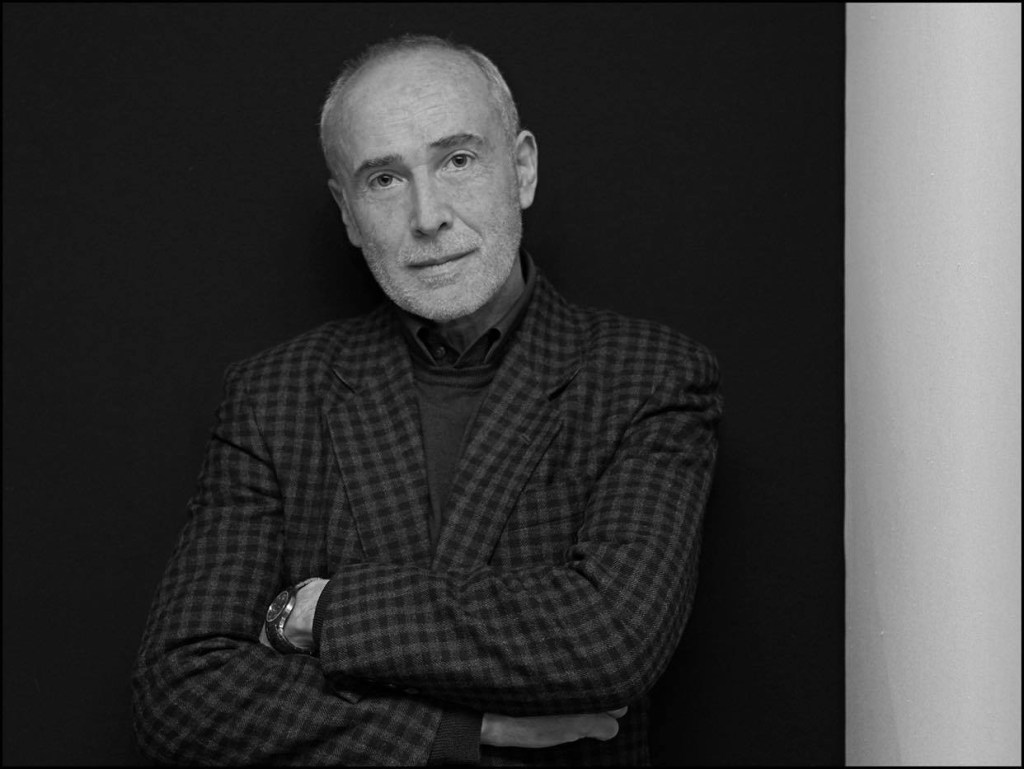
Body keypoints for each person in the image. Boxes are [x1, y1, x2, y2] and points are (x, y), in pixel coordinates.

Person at [132, 34, 722, 765]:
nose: (428, 215)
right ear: (348, 213)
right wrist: (455, 731)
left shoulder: (649, 377)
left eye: (458, 160)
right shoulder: (274, 393)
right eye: (384, 179)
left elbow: (610, 639)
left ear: (523, 169)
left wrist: (321, 611)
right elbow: (180, 693)